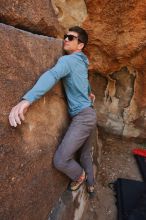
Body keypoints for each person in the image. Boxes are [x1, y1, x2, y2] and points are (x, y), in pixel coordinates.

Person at [9, 26, 97, 194]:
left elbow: (52, 75)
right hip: (90, 114)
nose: (66, 39)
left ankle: (80, 176)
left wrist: (28, 99)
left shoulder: (68, 60)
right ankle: (92, 186)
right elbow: (83, 82)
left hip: (83, 117)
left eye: (71, 38)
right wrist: (88, 93)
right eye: (65, 36)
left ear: (80, 45)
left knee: (61, 160)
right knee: (86, 153)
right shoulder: (82, 62)